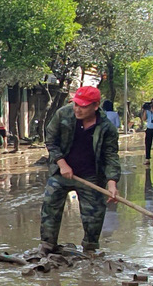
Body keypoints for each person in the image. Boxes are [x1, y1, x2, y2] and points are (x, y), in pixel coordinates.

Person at [40, 84, 119, 253]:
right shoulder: (63, 114)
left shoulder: (106, 128)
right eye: (76, 104)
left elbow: (111, 155)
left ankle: (90, 249)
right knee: (50, 206)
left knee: (94, 214)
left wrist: (112, 183)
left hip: (91, 174)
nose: (77, 109)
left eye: (82, 106)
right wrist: (62, 164)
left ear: (95, 106)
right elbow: (51, 141)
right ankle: (47, 245)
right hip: (61, 171)